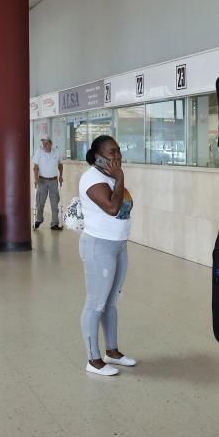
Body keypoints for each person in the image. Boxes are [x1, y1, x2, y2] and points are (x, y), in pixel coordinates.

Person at [78, 135, 135, 376]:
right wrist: (120, 177)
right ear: (98, 156)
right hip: (99, 247)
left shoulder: (110, 176)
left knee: (111, 303)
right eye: (112, 152)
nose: (117, 156)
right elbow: (112, 209)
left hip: (118, 245)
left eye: (119, 151)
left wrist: (117, 177)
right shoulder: (92, 178)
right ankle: (93, 359)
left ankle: (112, 351)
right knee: (96, 304)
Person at [32, 137, 64, 231]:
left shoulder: (56, 152)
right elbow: (35, 167)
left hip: (54, 181)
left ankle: (54, 224)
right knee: (40, 202)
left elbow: (60, 165)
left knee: (55, 203)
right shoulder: (39, 152)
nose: (44, 145)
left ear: (51, 144)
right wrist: (36, 178)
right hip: (42, 181)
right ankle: (39, 219)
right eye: (43, 143)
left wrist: (61, 176)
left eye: (46, 143)